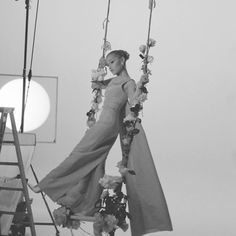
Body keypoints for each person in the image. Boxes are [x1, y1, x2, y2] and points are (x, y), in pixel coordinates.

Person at [29, 50, 173, 235]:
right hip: (104, 123)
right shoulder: (112, 81)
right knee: (96, 164)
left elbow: (134, 101)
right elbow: (95, 84)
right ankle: (87, 206)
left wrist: (142, 84)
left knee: (78, 154)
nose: (110, 67)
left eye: (112, 62)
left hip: (108, 125)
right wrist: (100, 67)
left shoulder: (127, 83)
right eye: (108, 64)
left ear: (122, 60)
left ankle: (45, 185)